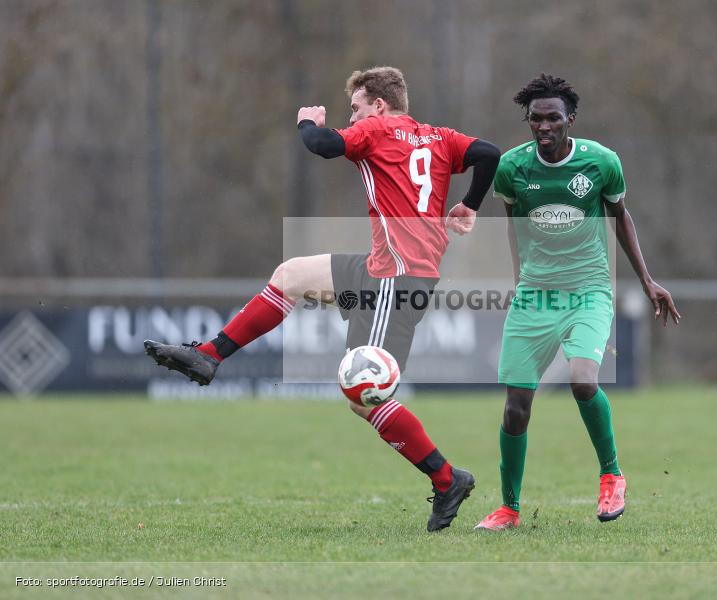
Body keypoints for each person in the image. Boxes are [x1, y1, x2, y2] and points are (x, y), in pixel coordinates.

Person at [144, 66, 500, 532]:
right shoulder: (438, 137)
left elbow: (323, 145)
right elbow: (489, 154)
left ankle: (447, 478)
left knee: (364, 396)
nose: (352, 119)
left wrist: (308, 121)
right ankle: (209, 356)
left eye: (356, 108)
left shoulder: (375, 128)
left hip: (395, 281)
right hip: (384, 268)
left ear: (378, 104)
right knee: (291, 275)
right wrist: (469, 204)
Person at [474, 74, 680, 530]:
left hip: (589, 290)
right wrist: (517, 283)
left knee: (583, 380)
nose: (544, 127)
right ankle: (509, 509)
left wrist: (647, 280)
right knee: (515, 407)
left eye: (553, 118)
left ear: (570, 119)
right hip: (535, 294)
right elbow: (514, 227)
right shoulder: (511, 169)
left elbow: (621, 217)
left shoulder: (601, 163)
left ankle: (612, 475)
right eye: (535, 119)